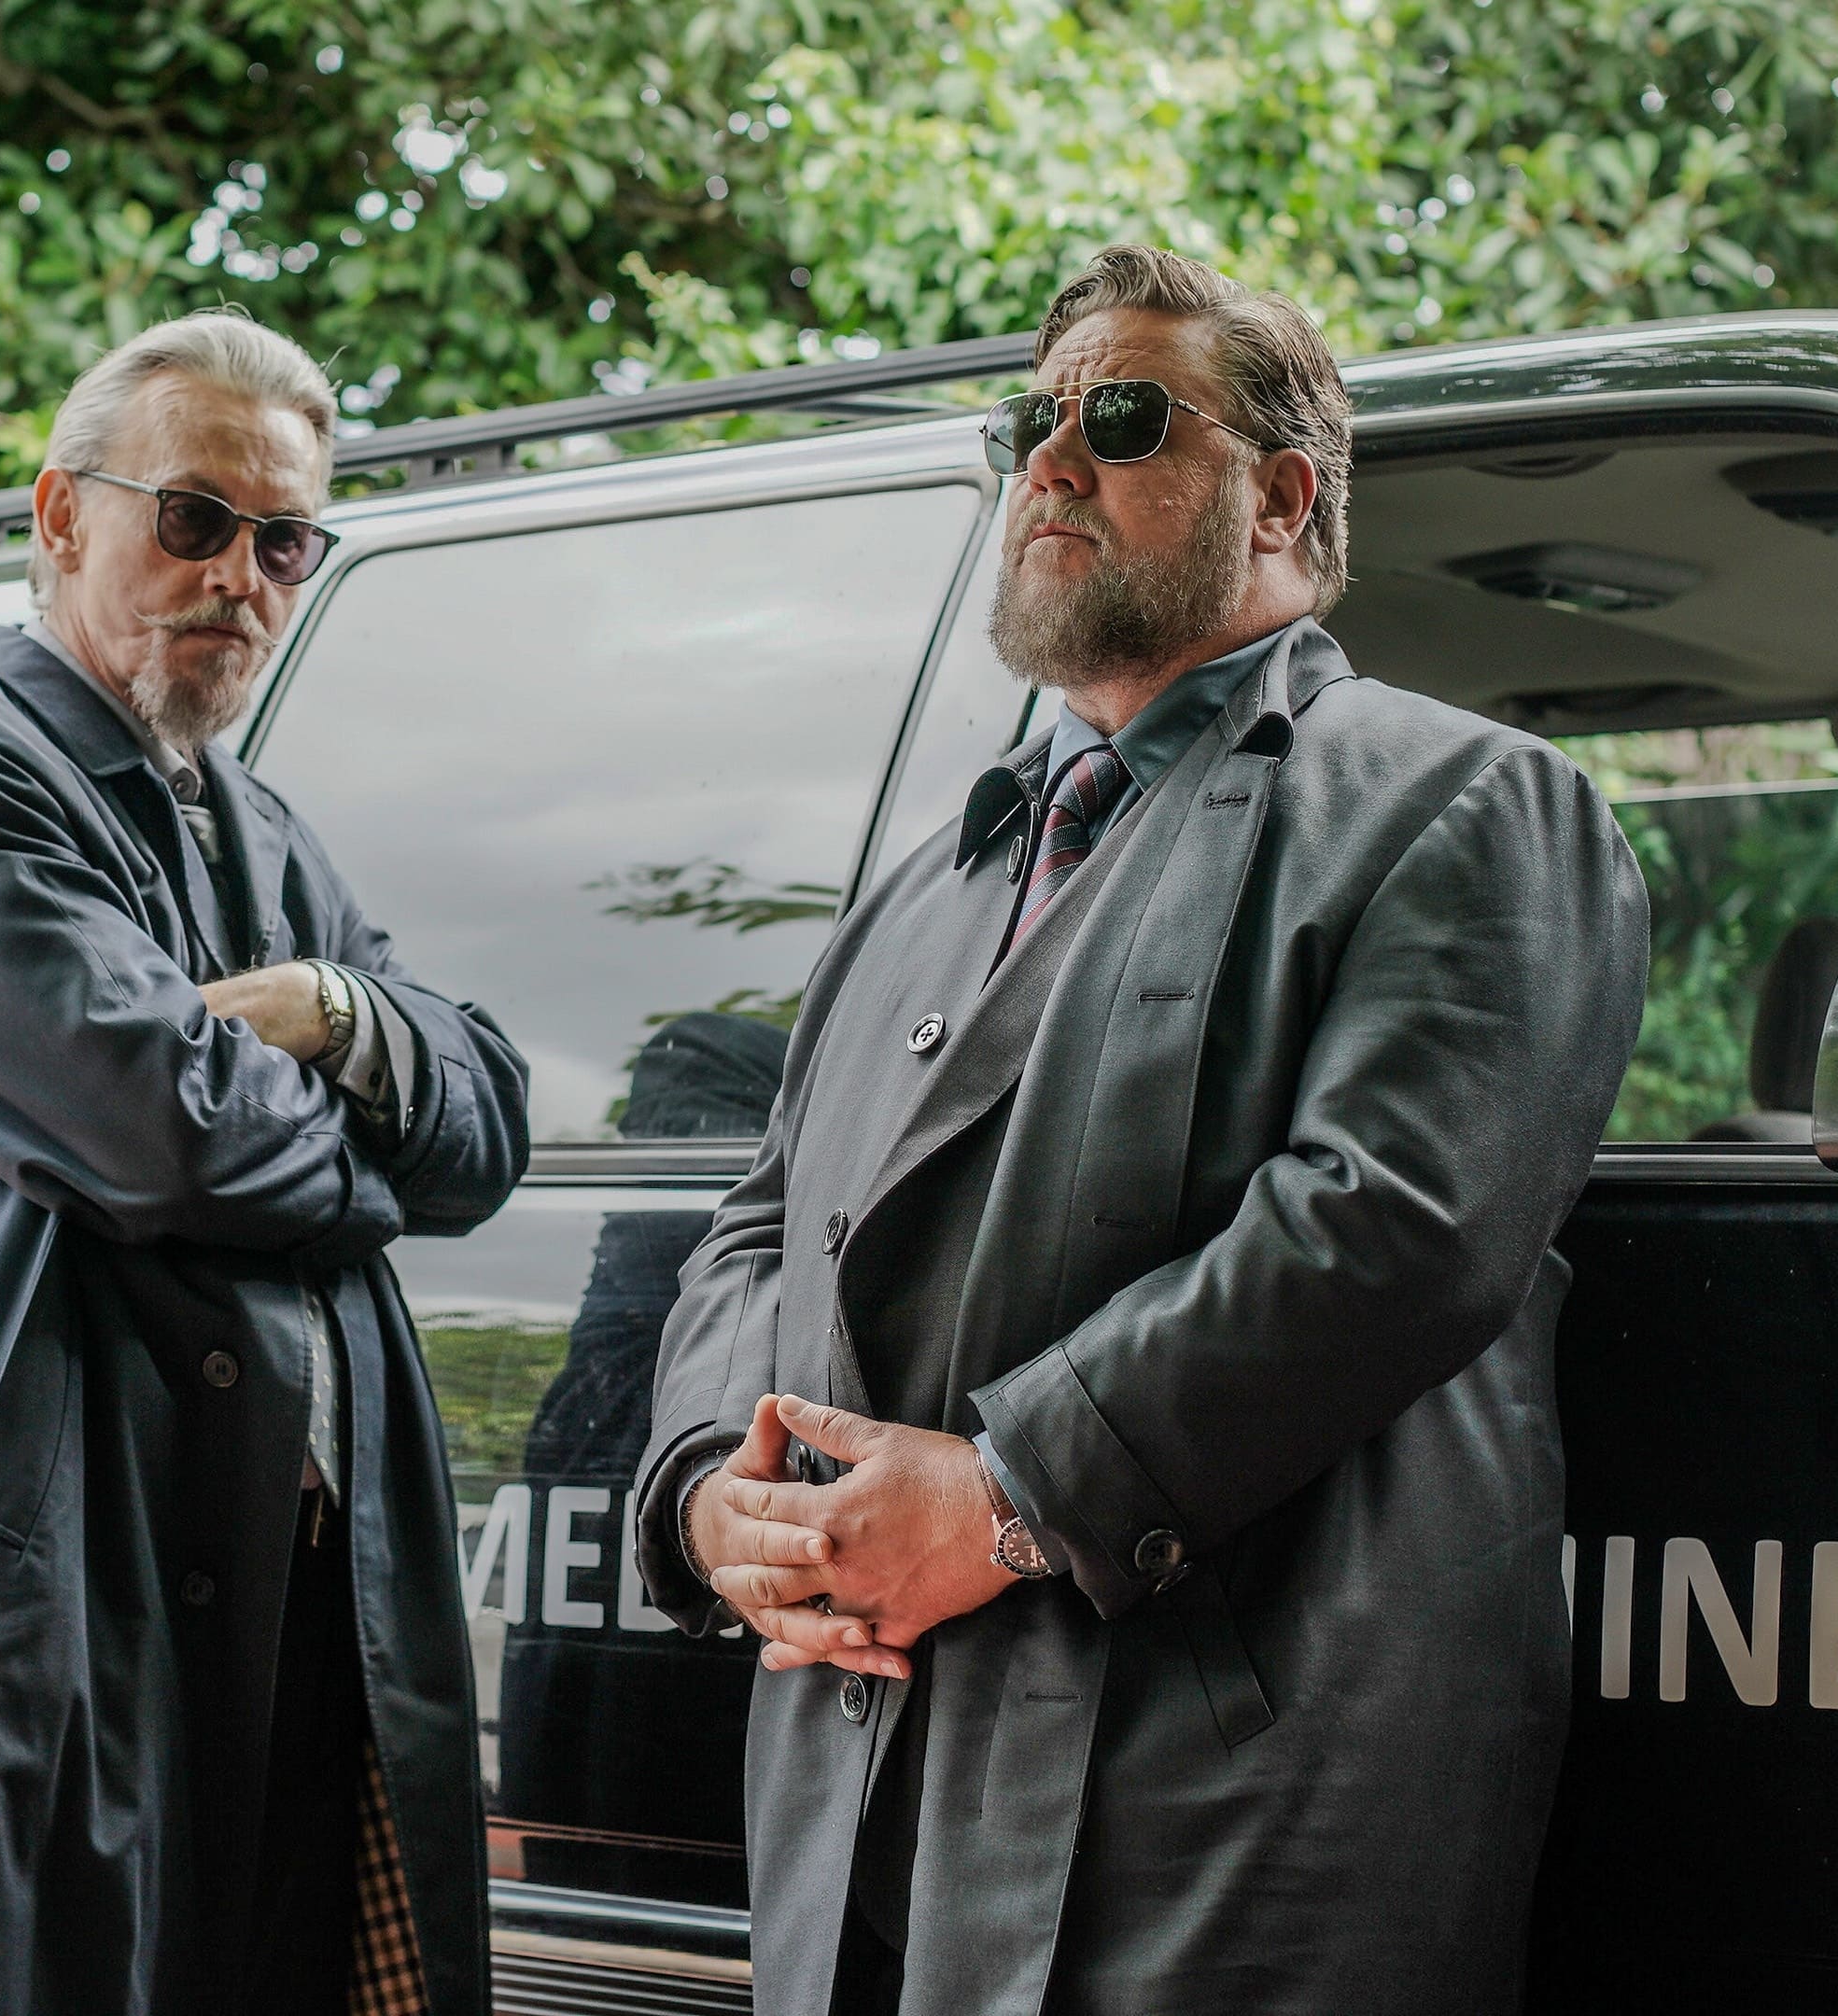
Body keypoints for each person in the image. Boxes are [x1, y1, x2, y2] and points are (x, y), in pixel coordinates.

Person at [628, 246, 1651, 2016]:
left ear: (1283, 498)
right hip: (863, 1797)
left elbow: (1389, 1231)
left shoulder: (1470, 804)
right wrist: (714, 1495)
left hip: (1217, 1823)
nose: (1048, 461)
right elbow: (764, 1220)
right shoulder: (924, 885)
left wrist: (1007, 1497)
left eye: (1119, 419)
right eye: (1029, 423)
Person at [0, 310, 530, 2016]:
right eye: (195, 518)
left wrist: (335, 1013)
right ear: (63, 516)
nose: (239, 578)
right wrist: (369, 1176)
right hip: (80, 1588)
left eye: (284, 542)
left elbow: (485, 1127)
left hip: (312, 1613)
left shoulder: (266, 833)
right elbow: (171, 1138)